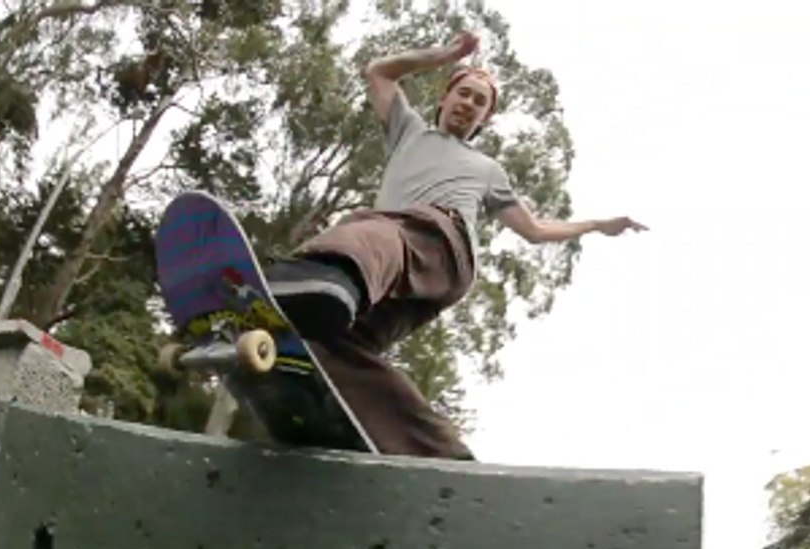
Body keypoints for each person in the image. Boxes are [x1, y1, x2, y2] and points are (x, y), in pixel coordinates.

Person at [263, 31, 646, 460]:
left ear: (483, 120)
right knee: (337, 345)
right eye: (464, 94)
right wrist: (442, 55)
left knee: (379, 229)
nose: (468, 104)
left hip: (441, 248)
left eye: (479, 103)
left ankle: (317, 278)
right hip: (393, 277)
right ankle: (437, 454)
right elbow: (379, 72)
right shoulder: (408, 130)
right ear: (444, 99)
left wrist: (596, 225)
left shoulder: (486, 168)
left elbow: (534, 229)